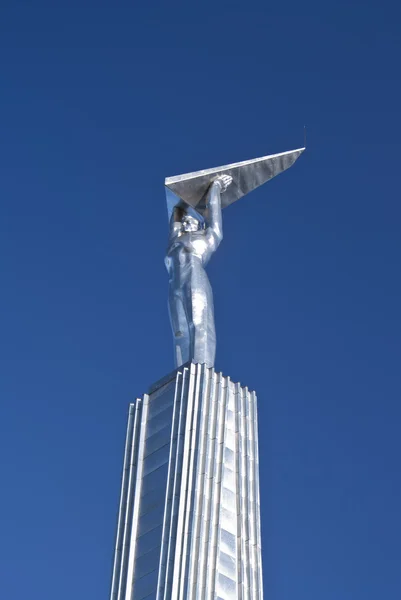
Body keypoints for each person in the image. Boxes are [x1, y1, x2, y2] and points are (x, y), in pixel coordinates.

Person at [165, 174, 232, 367]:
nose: (187, 222)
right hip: (175, 284)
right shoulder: (175, 240)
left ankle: (203, 369)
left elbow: (215, 219)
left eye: (191, 220)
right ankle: (181, 373)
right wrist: (186, 195)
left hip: (195, 278)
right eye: (185, 221)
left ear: (200, 225)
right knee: (180, 331)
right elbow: (177, 211)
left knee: (200, 324)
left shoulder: (207, 238)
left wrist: (215, 187)